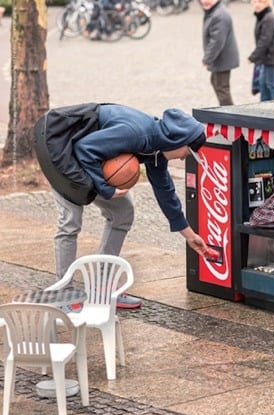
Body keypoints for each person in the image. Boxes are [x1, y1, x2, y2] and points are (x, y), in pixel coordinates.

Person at [48, 104, 214, 309]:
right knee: (70, 220)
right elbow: (85, 149)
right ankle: (63, 295)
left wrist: (190, 236)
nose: (183, 157)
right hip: (58, 144)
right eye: (187, 151)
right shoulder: (136, 133)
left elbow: (166, 192)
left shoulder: (157, 149)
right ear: (179, 140)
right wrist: (106, 189)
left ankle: (103, 289)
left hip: (85, 155)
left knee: (123, 211)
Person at [200, 0, 239, 106]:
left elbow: (217, 41)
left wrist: (207, 58)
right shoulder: (213, 11)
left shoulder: (220, 15)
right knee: (216, 82)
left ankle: (230, 116)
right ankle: (226, 112)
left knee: (222, 89)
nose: (204, 1)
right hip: (220, 58)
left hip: (223, 59)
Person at [248, 0, 274, 102]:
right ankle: (265, 108)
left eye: (261, 2)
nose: (257, 5)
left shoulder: (269, 18)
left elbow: (264, 41)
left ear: (267, 3)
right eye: (255, 2)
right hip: (266, 57)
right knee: (263, 84)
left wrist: (253, 57)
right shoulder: (261, 16)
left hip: (273, 57)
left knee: (273, 84)